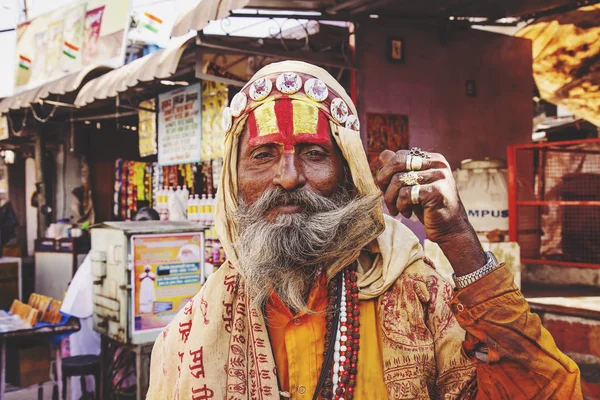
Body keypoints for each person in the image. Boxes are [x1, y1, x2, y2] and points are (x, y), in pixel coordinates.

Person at [147, 61, 581, 399]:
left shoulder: (419, 294)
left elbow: (546, 391)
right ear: (232, 181)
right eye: (263, 155)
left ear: (348, 171)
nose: (287, 177)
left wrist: (458, 239)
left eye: (313, 152)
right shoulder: (191, 331)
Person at [62, 207, 160, 399]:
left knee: (96, 361)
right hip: (87, 306)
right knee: (88, 361)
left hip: (92, 303)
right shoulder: (124, 242)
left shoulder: (123, 239)